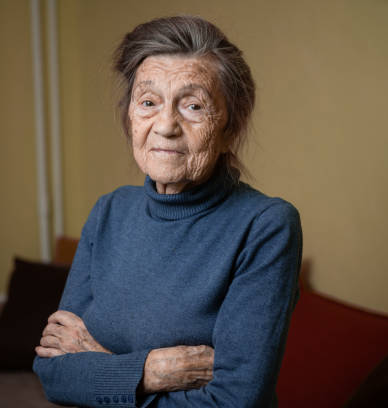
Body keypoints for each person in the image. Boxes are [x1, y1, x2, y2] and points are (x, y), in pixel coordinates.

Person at [33, 15, 302, 407]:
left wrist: (103, 371)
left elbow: (234, 402)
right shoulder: (109, 211)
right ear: (130, 117)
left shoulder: (266, 226)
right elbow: (53, 375)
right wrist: (152, 371)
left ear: (231, 126)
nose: (166, 126)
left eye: (193, 106)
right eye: (148, 102)